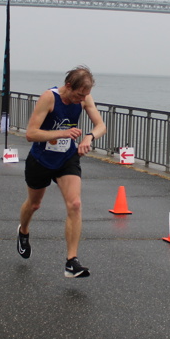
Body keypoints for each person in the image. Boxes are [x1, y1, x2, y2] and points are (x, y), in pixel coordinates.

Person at [18, 65, 106, 278]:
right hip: (41, 159)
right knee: (34, 204)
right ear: (68, 86)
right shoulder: (49, 98)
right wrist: (62, 133)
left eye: (85, 95)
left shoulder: (85, 98)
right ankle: (23, 231)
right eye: (79, 95)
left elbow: (101, 125)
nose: (82, 99)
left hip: (67, 158)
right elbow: (31, 134)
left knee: (75, 204)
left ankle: (71, 262)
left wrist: (89, 137)